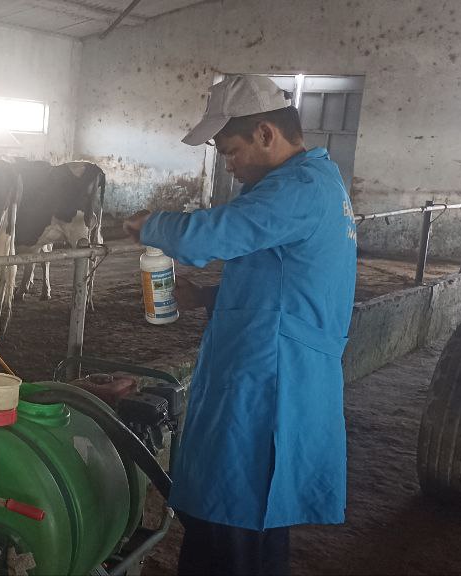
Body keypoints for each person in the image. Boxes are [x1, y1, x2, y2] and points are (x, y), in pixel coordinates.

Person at [124, 75, 358, 575]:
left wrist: (152, 226)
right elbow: (288, 282)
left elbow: (220, 232)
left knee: (237, 519)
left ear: (266, 134)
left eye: (231, 151)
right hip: (269, 364)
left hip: (269, 379)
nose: (229, 166)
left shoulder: (298, 189)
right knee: (239, 519)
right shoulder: (316, 183)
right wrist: (208, 296)